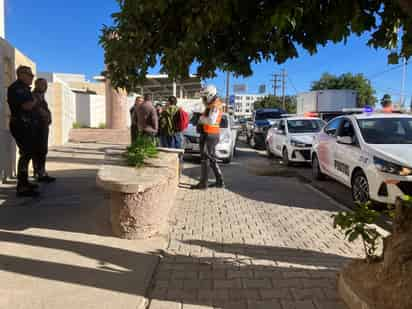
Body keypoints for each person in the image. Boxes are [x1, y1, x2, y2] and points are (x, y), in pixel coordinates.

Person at [7, 66, 39, 197]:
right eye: (29, 74)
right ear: (21, 74)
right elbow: (27, 106)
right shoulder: (17, 88)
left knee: (28, 153)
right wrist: (36, 99)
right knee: (26, 154)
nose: (32, 77)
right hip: (20, 124)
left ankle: (24, 182)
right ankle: (22, 187)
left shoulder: (24, 88)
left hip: (25, 124)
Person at [192, 85, 225, 190]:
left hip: (210, 135)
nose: (203, 99)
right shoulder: (212, 104)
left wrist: (200, 118)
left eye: (204, 97)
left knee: (205, 159)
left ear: (210, 95)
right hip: (209, 134)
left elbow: (211, 120)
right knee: (211, 159)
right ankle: (219, 181)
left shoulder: (215, 105)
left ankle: (203, 184)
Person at [32, 78, 55, 183]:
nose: (45, 87)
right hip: (37, 127)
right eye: (42, 84)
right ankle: (39, 173)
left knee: (43, 150)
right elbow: (36, 109)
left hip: (43, 127)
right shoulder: (34, 96)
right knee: (38, 150)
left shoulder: (42, 97)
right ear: (36, 85)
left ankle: (42, 172)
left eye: (46, 85)